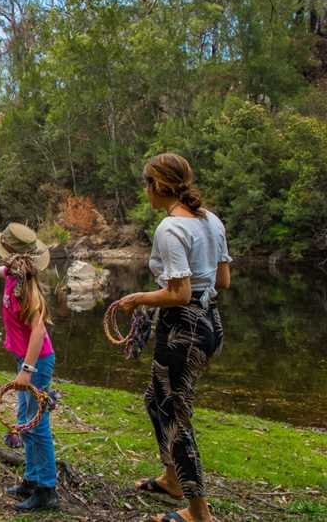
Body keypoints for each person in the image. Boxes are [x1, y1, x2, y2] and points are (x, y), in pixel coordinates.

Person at [118, 153, 232, 522]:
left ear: (159, 185)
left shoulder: (170, 228)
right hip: (209, 322)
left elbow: (178, 293)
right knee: (156, 399)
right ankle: (172, 479)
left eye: (146, 183)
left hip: (184, 328)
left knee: (175, 415)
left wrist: (137, 299)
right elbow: (222, 281)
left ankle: (199, 513)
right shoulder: (211, 219)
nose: (145, 191)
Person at [0, 222, 59, 511]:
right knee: (24, 419)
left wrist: (26, 370)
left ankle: (47, 489)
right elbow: (7, 270)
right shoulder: (14, 273)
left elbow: (38, 331)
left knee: (36, 425)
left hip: (36, 362)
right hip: (25, 359)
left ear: (13, 256)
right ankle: (31, 479)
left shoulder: (27, 290)